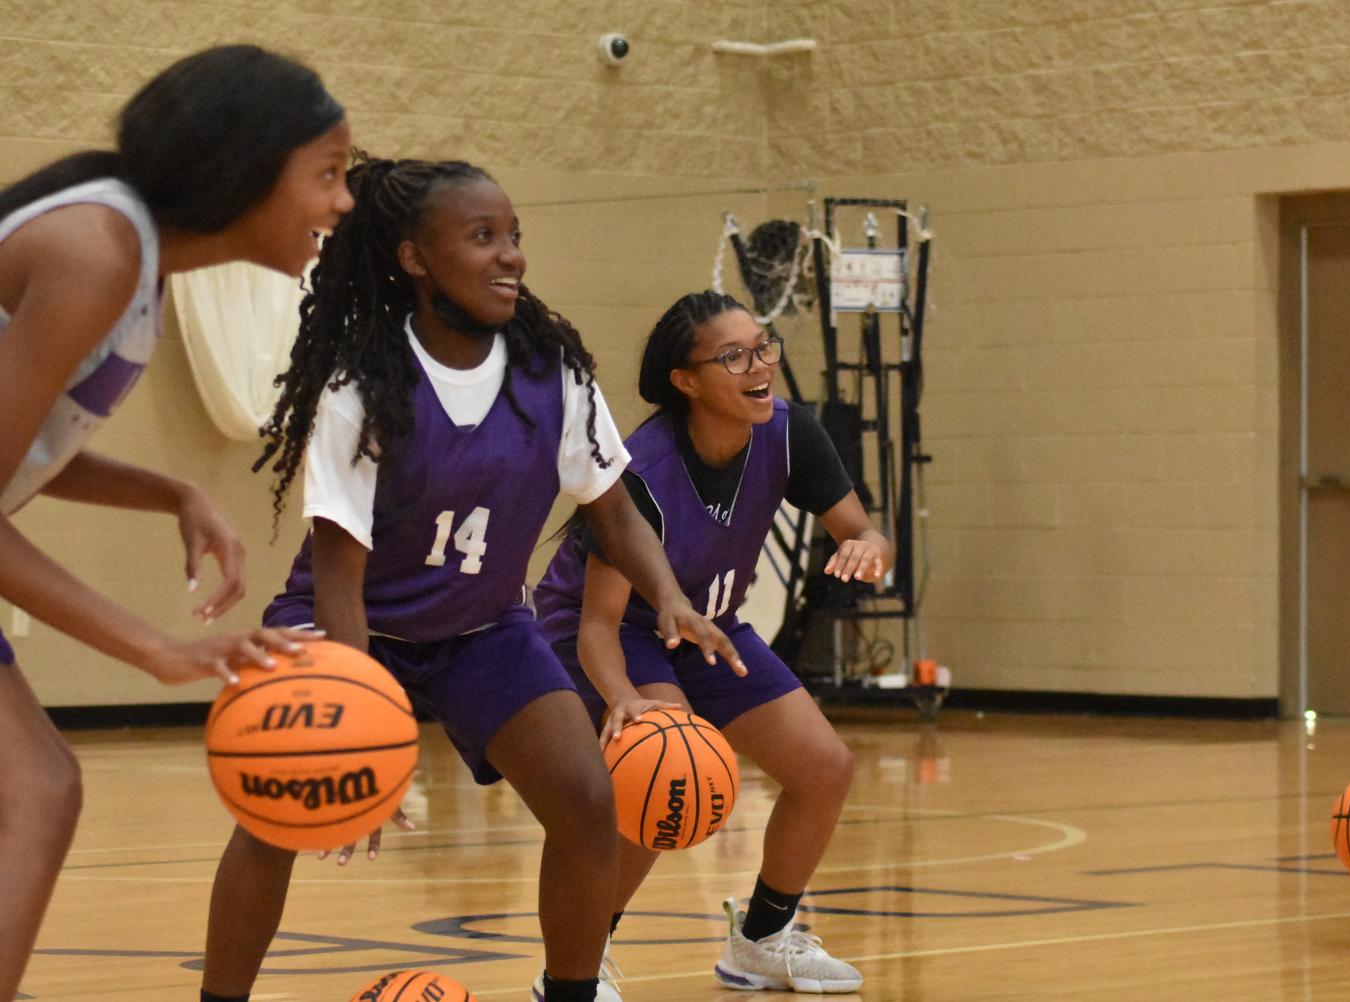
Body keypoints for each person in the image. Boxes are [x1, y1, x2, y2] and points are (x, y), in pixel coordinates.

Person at [199, 158, 744, 1002]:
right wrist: (356, 728)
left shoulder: (552, 373)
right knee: (277, 813)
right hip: (348, 628)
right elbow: (340, 576)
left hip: (481, 630)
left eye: (515, 236)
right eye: (482, 237)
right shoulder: (362, 386)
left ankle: (567, 991)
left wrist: (668, 595)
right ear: (416, 259)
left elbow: (613, 509)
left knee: (585, 799)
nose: (510, 256)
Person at [0, 45, 351, 1000]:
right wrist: (152, 649)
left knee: (36, 794)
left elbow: (19, 456)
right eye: (326, 174)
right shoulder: (94, 252)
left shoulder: (133, 263)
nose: (342, 202)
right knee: (34, 796)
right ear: (243, 167)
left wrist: (173, 493)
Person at [534, 290, 893, 994]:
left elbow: (861, 528)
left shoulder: (790, 432)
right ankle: (577, 964)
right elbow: (597, 626)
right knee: (659, 773)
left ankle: (760, 940)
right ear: (686, 380)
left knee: (825, 767)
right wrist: (622, 701)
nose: (758, 366)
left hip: (712, 629)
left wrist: (868, 547)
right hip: (621, 634)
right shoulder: (639, 473)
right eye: (733, 356)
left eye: (762, 347)